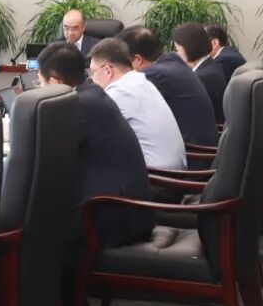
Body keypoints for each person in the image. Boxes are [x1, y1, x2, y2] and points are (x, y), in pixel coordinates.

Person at [36, 42, 154, 250]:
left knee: (36, 229)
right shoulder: (93, 94)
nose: (39, 89)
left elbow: (42, 157)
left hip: (115, 217)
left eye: (40, 83)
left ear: (54, 81)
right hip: (130, 209)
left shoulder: (77, 105)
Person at [87, 38, 186, 172]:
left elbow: (91, 131)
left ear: (108, 70)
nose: (91, 79)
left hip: (158, 177)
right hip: (174, 170)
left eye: (93, 72)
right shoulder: (141, 81)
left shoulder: (120, 92)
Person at [119, 25, 218, 148]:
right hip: (203, 147)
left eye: (122, 63)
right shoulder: (172, 61)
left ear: (138, 59)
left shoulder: (153, 76)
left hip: (193, 153)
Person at [173, 21, 227, 124]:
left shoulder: (201, 77)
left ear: (188, 48)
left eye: (178, 49)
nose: (177, 54)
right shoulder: (211, 66)